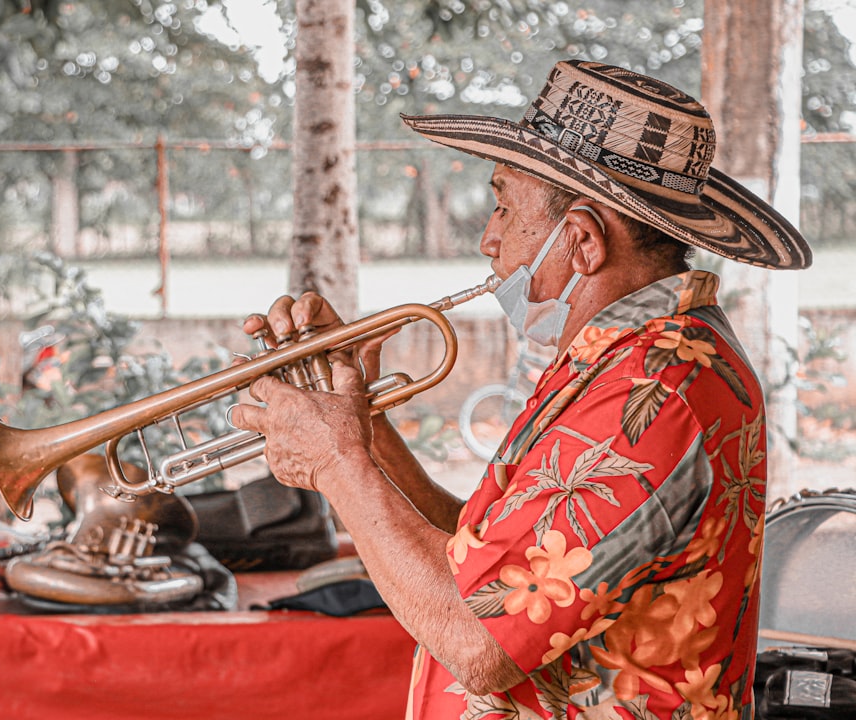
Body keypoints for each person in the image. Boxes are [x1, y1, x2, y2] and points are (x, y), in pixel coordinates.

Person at [230, 60, 812, 719]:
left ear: (583, 240)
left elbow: (479, 639)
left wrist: (339, 463)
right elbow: (499, 568)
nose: (489, 237)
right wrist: (363, 432)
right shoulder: (633, 357)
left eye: (504, 204)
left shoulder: (654, 390)